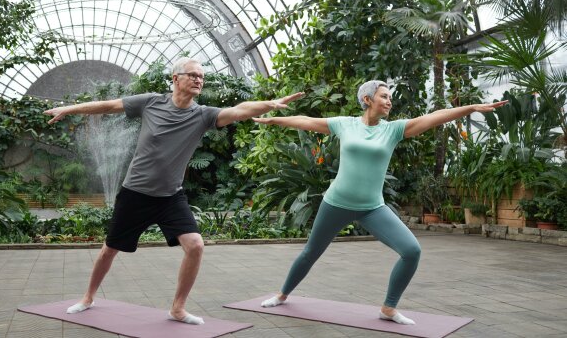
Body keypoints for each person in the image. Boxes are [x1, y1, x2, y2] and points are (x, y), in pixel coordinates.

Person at [44, 57, 304, 325]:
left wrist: (270, 104)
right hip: (135, 193)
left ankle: (177, 308)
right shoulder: (151, 102)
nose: (198, 80)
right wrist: (71, 109)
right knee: (109, 249)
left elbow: (238, 110)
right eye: (192, 75)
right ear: (175, 78)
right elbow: (109, 106)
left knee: (195, 246)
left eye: (201, 77)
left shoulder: (203, 115)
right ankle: (87, 298)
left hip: (170, 197)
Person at [254, 80, 507, 325]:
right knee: (311, 252)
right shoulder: (345, 124)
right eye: (384, 96)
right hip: (336, 203)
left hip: (372, 208)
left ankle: (389, 307)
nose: (389, 101)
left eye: (390, 97)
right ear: (367, 100)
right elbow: (307, 122)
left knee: (411, 251)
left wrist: (470, 108)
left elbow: (434, 117)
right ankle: (282, 295)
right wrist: (275, 119)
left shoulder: (393, 129)